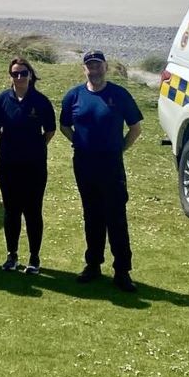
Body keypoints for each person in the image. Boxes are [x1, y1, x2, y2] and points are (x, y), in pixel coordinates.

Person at [60, 50, 143, 292]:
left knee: (116, 217)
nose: (94, 70)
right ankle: (93, 264)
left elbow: (135, 128)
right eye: (89, 66)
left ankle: (122, 270)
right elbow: (64, 125)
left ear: (106, 67)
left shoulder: (119, 95)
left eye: (98, 66)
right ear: (84, 69)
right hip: (84, 165)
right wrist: (79, 142)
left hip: (111, 166)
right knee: (92, 215)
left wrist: (119, 149)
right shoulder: (74, 96)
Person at [0, 56, 56, 273]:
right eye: (15, 74)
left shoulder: (41, 101)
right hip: (8, 165)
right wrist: (12, 146)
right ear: (10, 76)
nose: (19, 77)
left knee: (33, 211)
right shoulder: (1, 101)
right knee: (11, 210)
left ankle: (34, 258)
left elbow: (50, 130)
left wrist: (34, 147)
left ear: (30, 75)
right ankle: (12, 255)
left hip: (34, 165)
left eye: (23, 73)